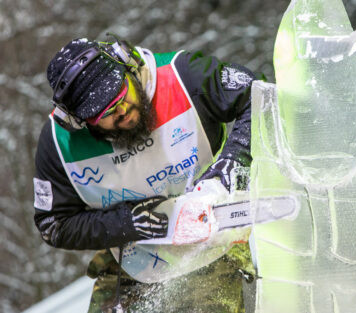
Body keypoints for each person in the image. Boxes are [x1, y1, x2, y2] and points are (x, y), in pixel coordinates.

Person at [33, 35, 260, 312]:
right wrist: (127, 222)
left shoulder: (181, 76)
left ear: (128, 66)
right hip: (131, 262)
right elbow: (53, 224)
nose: (124, 111)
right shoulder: (59, 146)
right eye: (107, 112)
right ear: (79, 121)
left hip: (216, 246)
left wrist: (233, 160)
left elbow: (258, 94)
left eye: (122, 94)